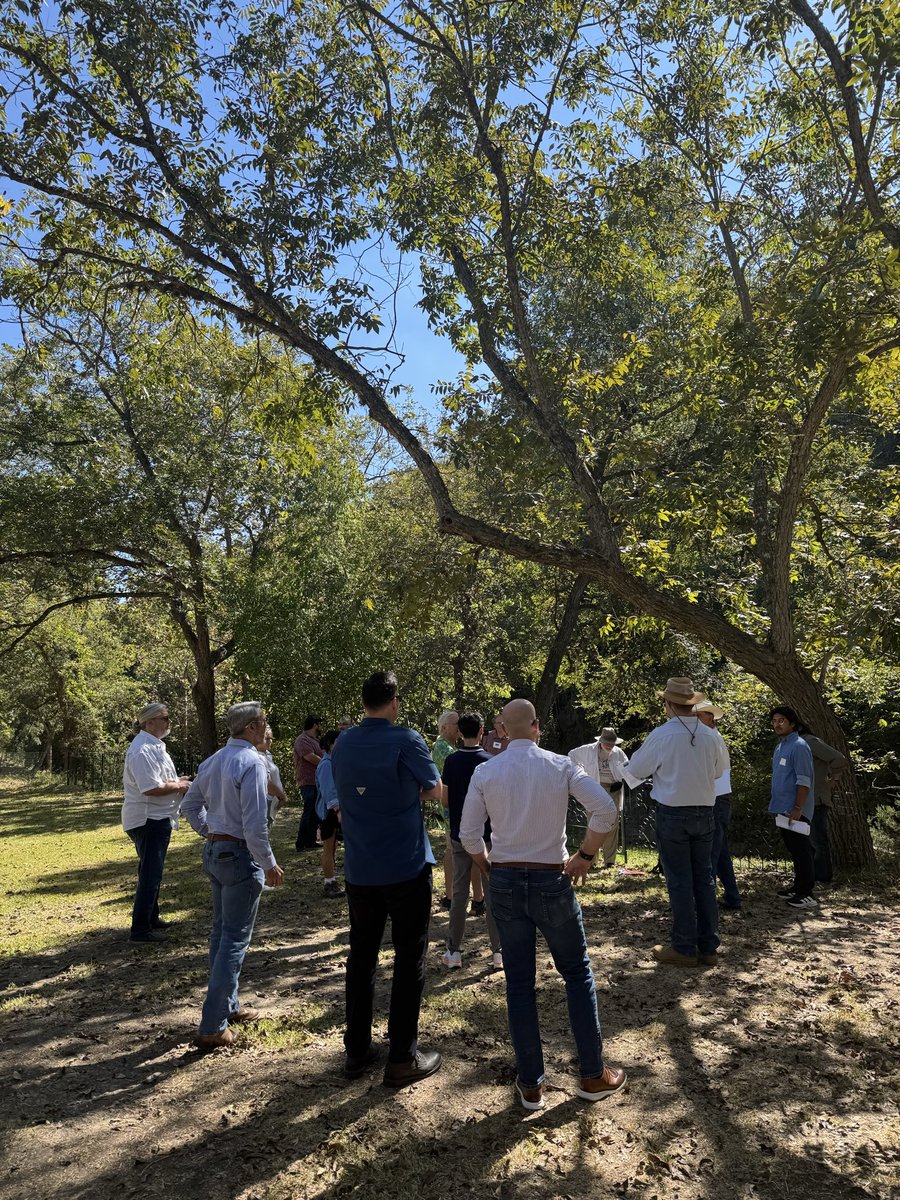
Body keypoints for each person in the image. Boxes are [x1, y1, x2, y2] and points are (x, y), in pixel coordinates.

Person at [460, 698, 626, 1111]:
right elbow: (605, 810)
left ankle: (531, 1082)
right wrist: (585, 856)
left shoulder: (485, 771)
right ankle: (592, 1073)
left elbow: (467, 834)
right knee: (575, 972)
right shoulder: (561, 765)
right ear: (536, 727)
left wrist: (487, 866)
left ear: (501, 729)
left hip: (507, 880)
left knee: (519, 984)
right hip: (552, 878)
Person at [331, 671, 444, 1087]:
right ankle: (401, 1057)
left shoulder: (342, 743)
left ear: (364, 702)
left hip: (361, 869)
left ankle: (357, 1050)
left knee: (361, 956)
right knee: (408, 957)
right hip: (405, 866)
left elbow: (347, 789)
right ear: (394, 702)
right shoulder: (406, 740)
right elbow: (433, 789)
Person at [181, 702, 284, 1049]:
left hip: (215, 852)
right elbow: (255, 824)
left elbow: (189, 806)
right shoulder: (252, 762)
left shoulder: (212, 761)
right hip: (238, 854)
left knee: (221, 933)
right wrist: (268, 863)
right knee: (233, 940)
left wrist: (211, 832)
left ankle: (228, 1006)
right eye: (264, 723)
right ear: (252, 728)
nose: (266, 729)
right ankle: (212, 1025)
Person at [624, 677, 724, 968]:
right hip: (705, 811)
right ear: (692, 703)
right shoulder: (710, 735)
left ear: (667, 703)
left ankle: (683, 946)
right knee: (704, 878)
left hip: (673, 812)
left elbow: (637, 769)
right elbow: (719, 772)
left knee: (680, 880)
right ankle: (708, 947)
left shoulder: (662, 734)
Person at [121, 701, 191, 943]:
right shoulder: (142, 750)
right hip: (148, 819)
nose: (169, 722)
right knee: (151, 873)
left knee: (150, 871)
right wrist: (179, 786)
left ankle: (151, 917)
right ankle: (140, 930)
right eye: (165, 718)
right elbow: (150, 787)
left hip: (157, 817)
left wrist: (176, 780)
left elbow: (160, 779)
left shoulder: (154, 746)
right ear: (150, 722)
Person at [441, 712, 502, 970]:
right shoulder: (491, 762)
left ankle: (454, 951)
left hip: (458, 835)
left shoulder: (452, 762)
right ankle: (499, 951)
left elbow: (444, 799)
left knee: (459, 893)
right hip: (487, 836)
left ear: (460, 733)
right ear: (481, 731)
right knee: (491, 893)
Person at [692, 702, 741, 911]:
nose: (694, 718)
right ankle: (732, 897)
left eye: (698, 715)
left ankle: (706, 902)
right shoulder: (712, 737)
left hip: (715, 798)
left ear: (709, 717)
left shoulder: (709, 738)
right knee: (719, 852)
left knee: (710, 853)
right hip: (717, 797)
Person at [769, 706, 817, 909]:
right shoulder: (781, 746)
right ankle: (798, 887)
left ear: (793, 724)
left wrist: (798, 807)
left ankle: (806, 893)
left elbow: (803, 780)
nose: (777, 724)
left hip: (796, 810)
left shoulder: (799, 745)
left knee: (802, 850)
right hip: (782, 808)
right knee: (794, 850)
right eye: (774, 721)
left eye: (781, 720)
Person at [568, 727, 629, 868]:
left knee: (612, 825)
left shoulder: (619, 753)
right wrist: (582, 776)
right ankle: (591, 859)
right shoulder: (588, 750)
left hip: (613, 789)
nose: (609, 745)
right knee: (593, 824)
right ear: (600, 741)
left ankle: (609, 861)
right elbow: (571, 756)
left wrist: (621, 780)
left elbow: (627, 768)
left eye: (612, 743)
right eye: (607, 742)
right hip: (595, 788)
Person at [803, 732, 849, 885]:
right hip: (802, 801)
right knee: (807, 841)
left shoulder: (810, 741)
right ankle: (812, 875)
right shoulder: (790, 743)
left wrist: (834, 779)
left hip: (817, 799)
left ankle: (823, 877)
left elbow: (839, 759)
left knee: (817, 840)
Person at [432, 710, 459, 911]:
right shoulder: (442, 748)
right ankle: (450, 894)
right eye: (455, 723)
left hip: (453, 805)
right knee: (451, 849)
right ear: (444, 727)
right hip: (451, 806)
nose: (459, 726)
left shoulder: (450, 746)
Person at [316, 729, 344, 898]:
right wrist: (338, 811)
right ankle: (329, 882)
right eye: (337, 743)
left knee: (332, 847)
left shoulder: (333, 762)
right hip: (329, 813)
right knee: (328, 847)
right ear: (329, 745)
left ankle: (332, 880)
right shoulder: (326, 764)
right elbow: (329, 793)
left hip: (334, 811)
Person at [293, 715, 323, 850]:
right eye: (319, 724)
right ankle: (301, 843)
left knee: (315, 812)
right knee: (308, 811)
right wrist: (328, 764)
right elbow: (310, 757)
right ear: (315, 725)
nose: (320, 727)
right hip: (307, 781)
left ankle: (311, 841)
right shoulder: (302, 740)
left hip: (317, 781)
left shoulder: (315, 740)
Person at [261, 725, 287, 827]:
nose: (269, 741)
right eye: (266, 738)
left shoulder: (268, 755)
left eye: (271, 738)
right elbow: (266, 781)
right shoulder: (256, 756)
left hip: (273, 801)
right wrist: (282, 796)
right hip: (265, 800)